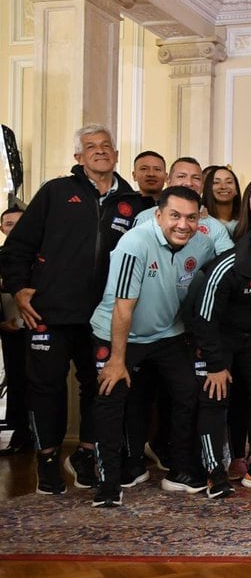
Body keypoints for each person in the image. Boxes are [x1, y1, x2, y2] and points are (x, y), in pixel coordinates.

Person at [0, 124, 144, 494]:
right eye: (91, 147)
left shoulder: (132, 203)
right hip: (50, 313)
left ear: (116, 154)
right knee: (45, 388)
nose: (100, 151)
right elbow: (15, 250)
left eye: (106, 146)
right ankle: (46, 460)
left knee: (99, 388)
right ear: (78, 157)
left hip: (104, 317)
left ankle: (85, 454)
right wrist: (19, 290)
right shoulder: (55, 192)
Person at [89, 187, 219, 506]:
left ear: (200, 218)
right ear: (158, 215)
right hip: (118, 332)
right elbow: (123, 306)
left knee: (188, 390)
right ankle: (108, 481)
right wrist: (117, 360)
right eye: (174, 216)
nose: (182, 224)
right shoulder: (135, 243)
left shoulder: (202, 245)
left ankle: (180, 470)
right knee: (111, 394)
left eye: (191, 217)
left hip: (166, 333)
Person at [185, 202, 251, 490]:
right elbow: (204, 318)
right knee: (215, 398)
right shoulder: (228, 266)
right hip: (218, 339)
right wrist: (215, 364)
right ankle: (214, 471)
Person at [134, 158, 234, 253]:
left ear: (203, 185)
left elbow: (229, 263)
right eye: (181, 176)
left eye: (196, 178)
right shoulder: (145, 218)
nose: (189, 183)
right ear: (168, 180)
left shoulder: (216, 227)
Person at [0, 207, 30, 455]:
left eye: (19, 223)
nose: (14, 228)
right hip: (10, 332)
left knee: (44, 385)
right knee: (17, 382)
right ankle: (20, 434)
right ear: (2, 228)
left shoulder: (41, 255)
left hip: (41, 328)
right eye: (8, 224)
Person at [202, 165, 241, 234]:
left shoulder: (246, 222)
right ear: (208, 189)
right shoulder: (201, 219)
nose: (223, 187)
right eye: (216, 182)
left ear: (236, 190)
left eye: (229, 182)